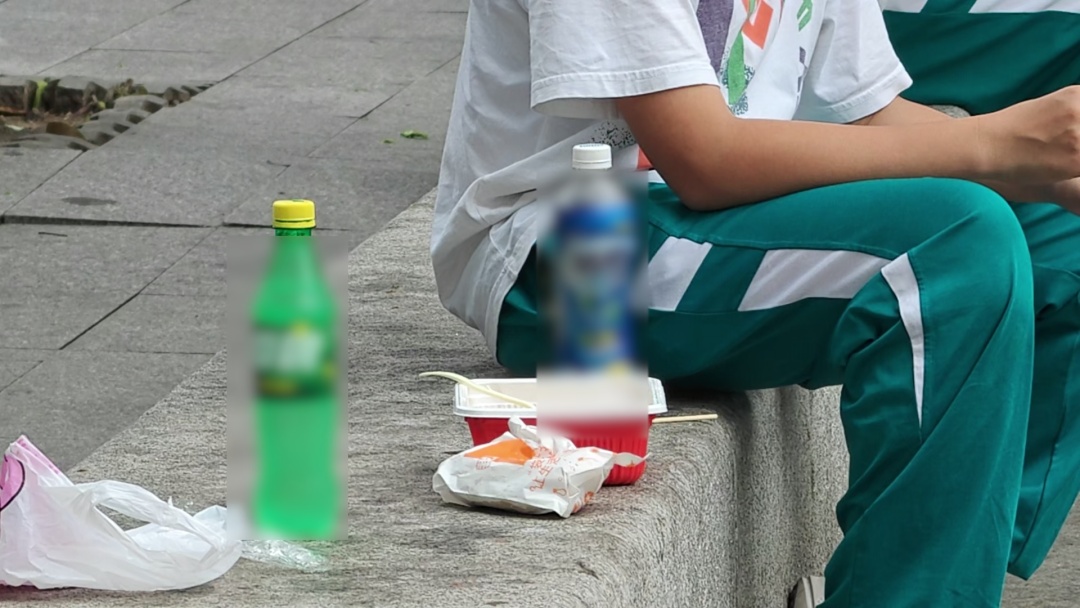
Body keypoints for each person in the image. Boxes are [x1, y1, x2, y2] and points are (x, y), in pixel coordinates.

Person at [430, 0, 1080, 605]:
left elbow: (873, 113)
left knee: (1059, 239)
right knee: (957, 249)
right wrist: (1001, 144)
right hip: (564, 253)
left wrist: (1053, 170)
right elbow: (703, 157)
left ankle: (922, 566)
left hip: (723, 215)